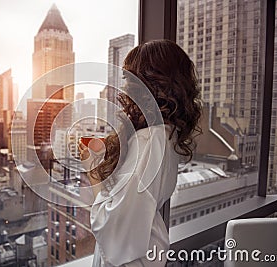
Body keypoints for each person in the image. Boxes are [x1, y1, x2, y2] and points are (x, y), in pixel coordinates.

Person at [78, 40, 202, 267]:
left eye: (128, 78)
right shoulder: (165, 135)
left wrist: (92, 170)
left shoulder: (150, 141)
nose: (124, 87)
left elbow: (112, 222)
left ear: (147, 83)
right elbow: (131, 199)